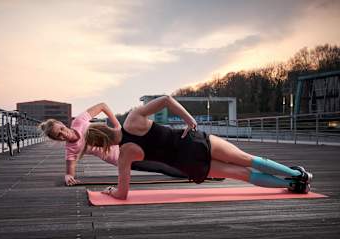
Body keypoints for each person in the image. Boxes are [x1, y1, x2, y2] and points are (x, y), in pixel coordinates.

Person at [83, 95, 313, 200]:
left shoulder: (124, 155)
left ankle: (292, 184)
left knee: (243, 174)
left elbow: (123, 194)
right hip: (193, 142)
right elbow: (165, 99)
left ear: (101, 145)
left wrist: (111, 191)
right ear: (103, 126)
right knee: (248, 159)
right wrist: (189, 120)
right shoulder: (133, 118)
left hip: (189, 165)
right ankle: (298, 174)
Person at [39, 102, 190, 186]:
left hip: (127, 141)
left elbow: (103, 106)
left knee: (168, 151)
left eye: (61, 129)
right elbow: (70, 169)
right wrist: (68, 177)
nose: (63, 134)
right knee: (161, 166)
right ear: (57, 139)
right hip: (122, 160)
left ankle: (203, 163)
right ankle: (198, 173)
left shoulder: (79, 121)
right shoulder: (71, 149)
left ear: (61, 123)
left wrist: (117, 123)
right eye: (58, 136)